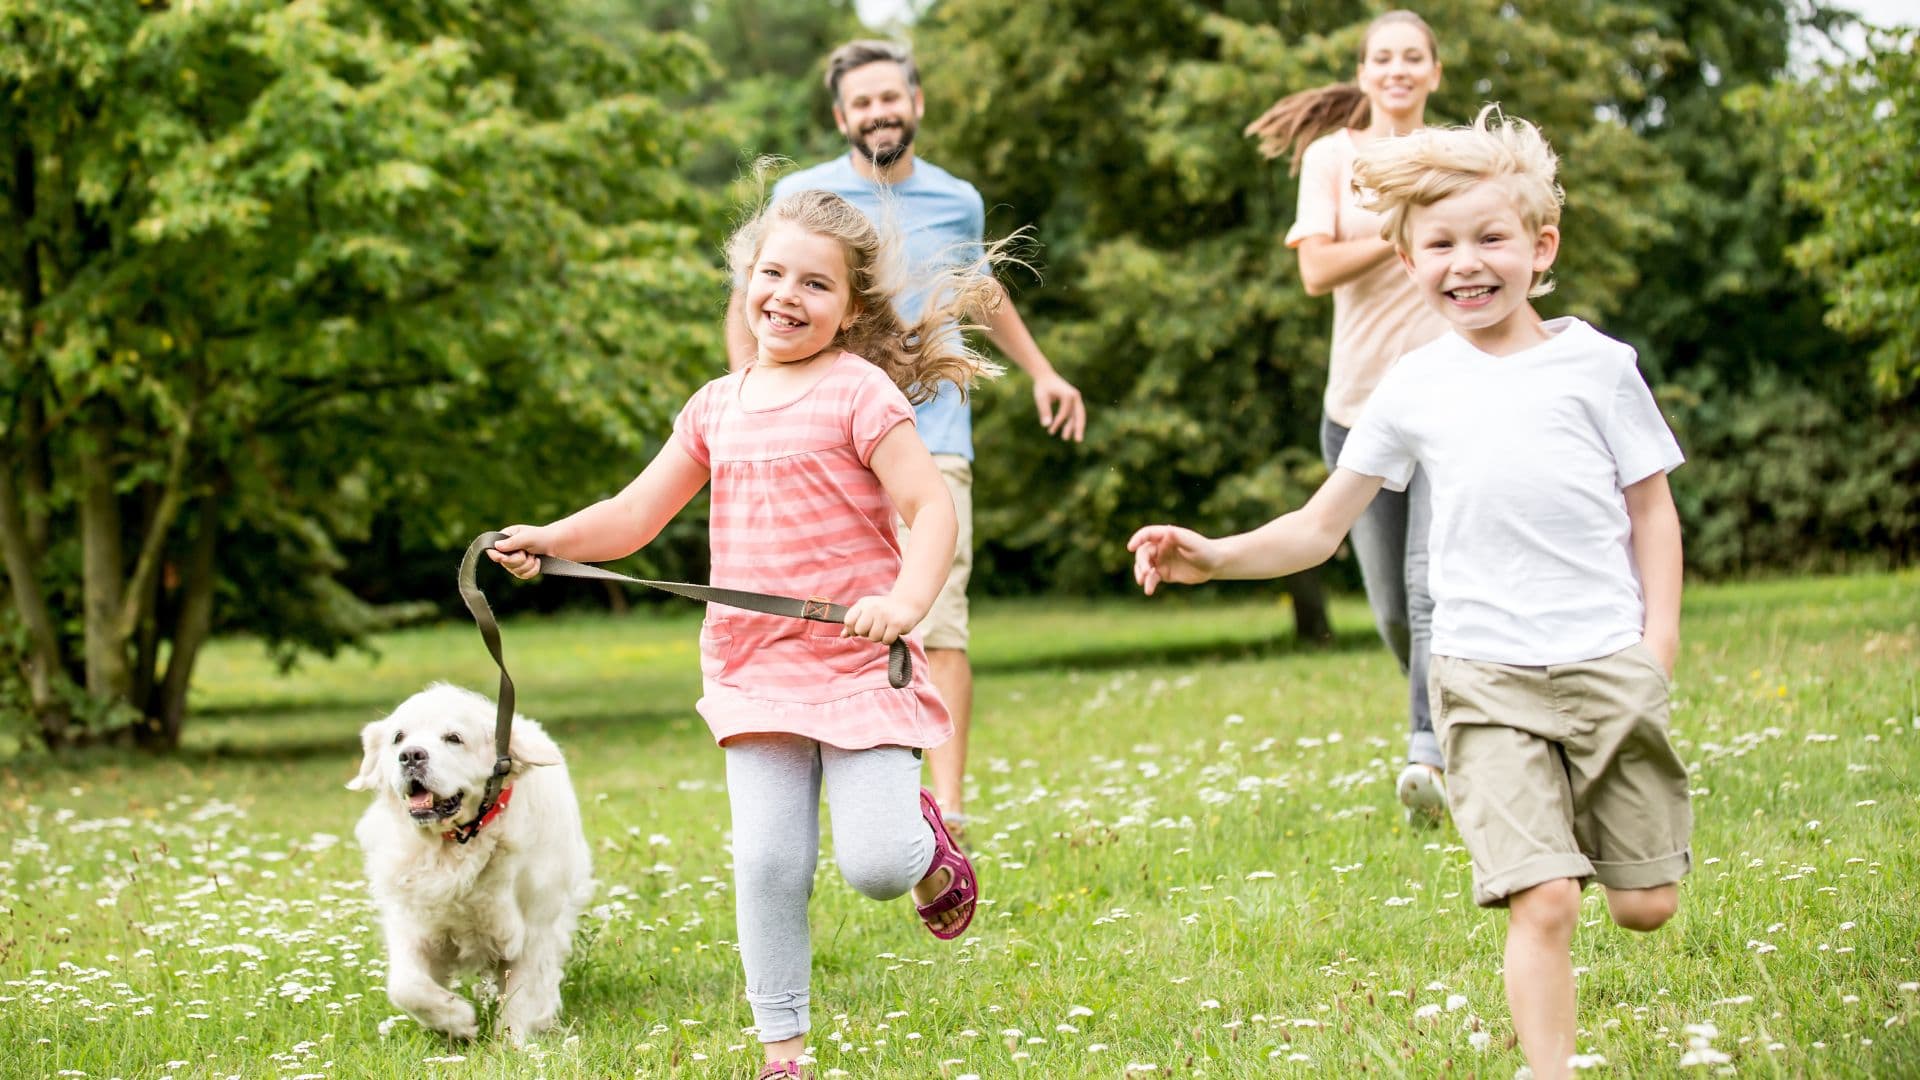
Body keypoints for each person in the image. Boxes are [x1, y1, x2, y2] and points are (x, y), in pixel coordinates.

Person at [1129, 108, 1691, 1080]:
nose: (1465, 262)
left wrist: (1659, 646)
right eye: (1439, 244)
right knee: (1545, 898)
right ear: (1404, 255)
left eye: (1490, 238)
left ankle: (1598, 827)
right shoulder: (1413, 385)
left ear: (1541, 245)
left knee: (1646, 907)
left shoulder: (1598, 368)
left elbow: (1653, 510)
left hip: (1606, 660)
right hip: (1482, 675)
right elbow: (1319, 526)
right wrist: (1212, 555)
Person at [493, 189, 997, 1080]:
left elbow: (928, 507)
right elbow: (634, 514)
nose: (787, 296)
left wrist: (908, 601)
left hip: (854, 659)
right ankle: (783, 1055)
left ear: (850, 308)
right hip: (753, 666)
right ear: (744, 282)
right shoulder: (715, 407)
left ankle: (925, 848)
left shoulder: (859, 389)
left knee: (875, 865)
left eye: (815, 284)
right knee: (768, 864)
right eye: (772, 274)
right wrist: (551, 540)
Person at [728, 39, 1088, 838]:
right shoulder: (800, 196)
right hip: (818, 450)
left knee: (938, 612)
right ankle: (840, 788)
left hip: (930, 439)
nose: (878, 112)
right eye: (861, 103)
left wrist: (1042, 371)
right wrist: (748, 405)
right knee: (824, 614)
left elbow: (979, 291)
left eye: (890, 97)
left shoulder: (956, 199)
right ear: (840, 117)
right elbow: (750, 301)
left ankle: (946, 807)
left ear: (916, 103)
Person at [1245, 10, 1453, 825]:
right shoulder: (1332, 158)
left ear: (1434, 72)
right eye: (1383, 57)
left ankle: (1427, 753)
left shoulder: (1454, 155)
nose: (1397, 69)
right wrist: (1399, 230)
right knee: (1396, 613)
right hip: (1359, 412)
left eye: (1412, 57)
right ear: (1363, 74)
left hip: (1446, 402)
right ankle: (1453, 710)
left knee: (1431, 592)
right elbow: (1317, 269)